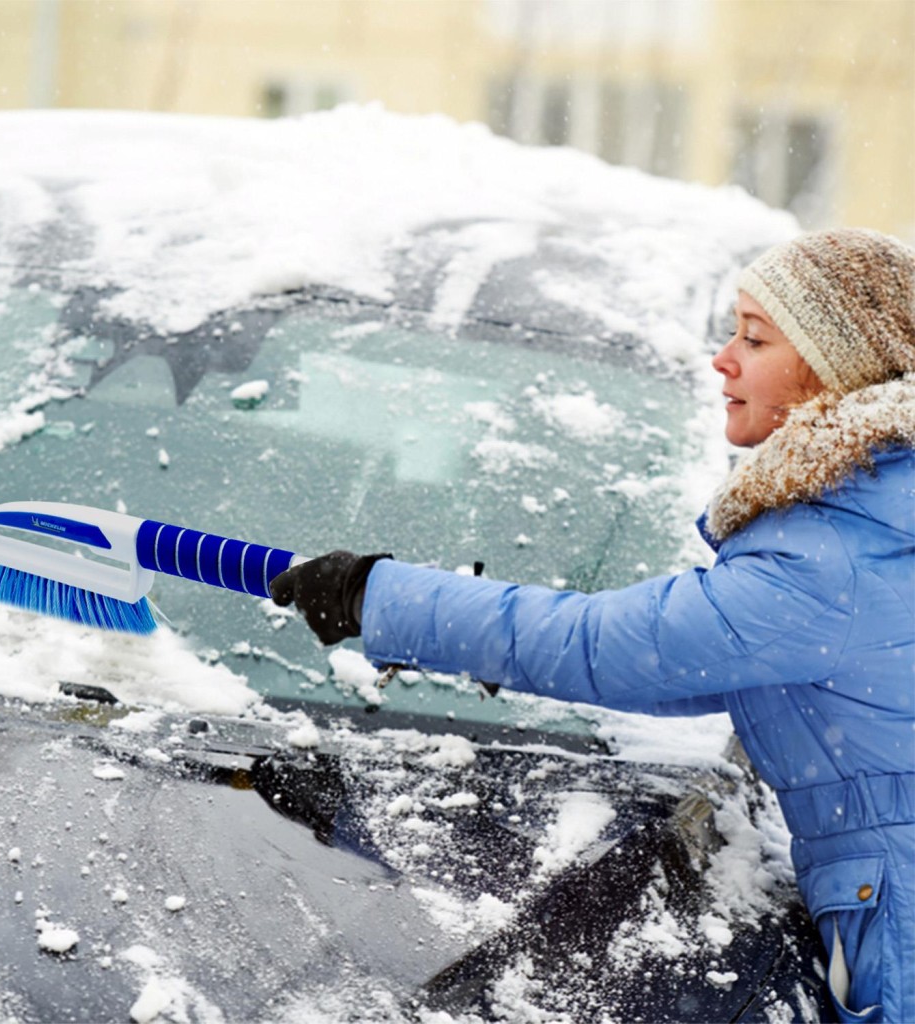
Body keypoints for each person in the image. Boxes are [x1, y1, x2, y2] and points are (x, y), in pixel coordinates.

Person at [271, 228, 915, 1023]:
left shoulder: (834, 551)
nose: (723, 360)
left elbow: (609, 650)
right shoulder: (877, 513)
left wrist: (373, 596)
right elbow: (688, 669)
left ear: (834, 368)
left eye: (754, 339)